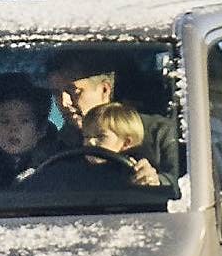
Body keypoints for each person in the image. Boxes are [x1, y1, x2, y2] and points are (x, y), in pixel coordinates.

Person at [45, 52, 180, 186]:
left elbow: (187, 187)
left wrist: (156, 181)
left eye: (73, 91)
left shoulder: (160, 134)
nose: (64, 102)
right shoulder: (56, 145)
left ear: (105, 90)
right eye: (56, 93)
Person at [0, 78, 62, 186]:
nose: (13, 128)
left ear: (41, 130)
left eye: (24, 121)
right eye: (5, 121)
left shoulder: (56, 164)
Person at [81, 102, 162, 186]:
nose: (90, 141)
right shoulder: (76, 166)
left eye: (101, 136)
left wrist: (144, 180)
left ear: (126, 143)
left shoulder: (136, 169)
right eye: (86, 136)